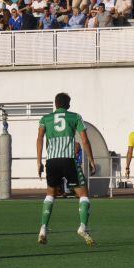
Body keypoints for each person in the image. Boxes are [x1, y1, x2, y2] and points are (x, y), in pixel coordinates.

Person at [36, 92, 96, 246]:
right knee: (83, 194)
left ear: (55, 104)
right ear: (68, 105)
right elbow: (85, 140)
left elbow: (40, 138)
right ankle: (83, 227)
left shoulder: (45, 119)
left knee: (50, 194)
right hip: (69, 160)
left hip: (52, 161)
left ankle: (43, 228)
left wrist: (39, 161)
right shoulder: (75, 117)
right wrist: (91, 160)